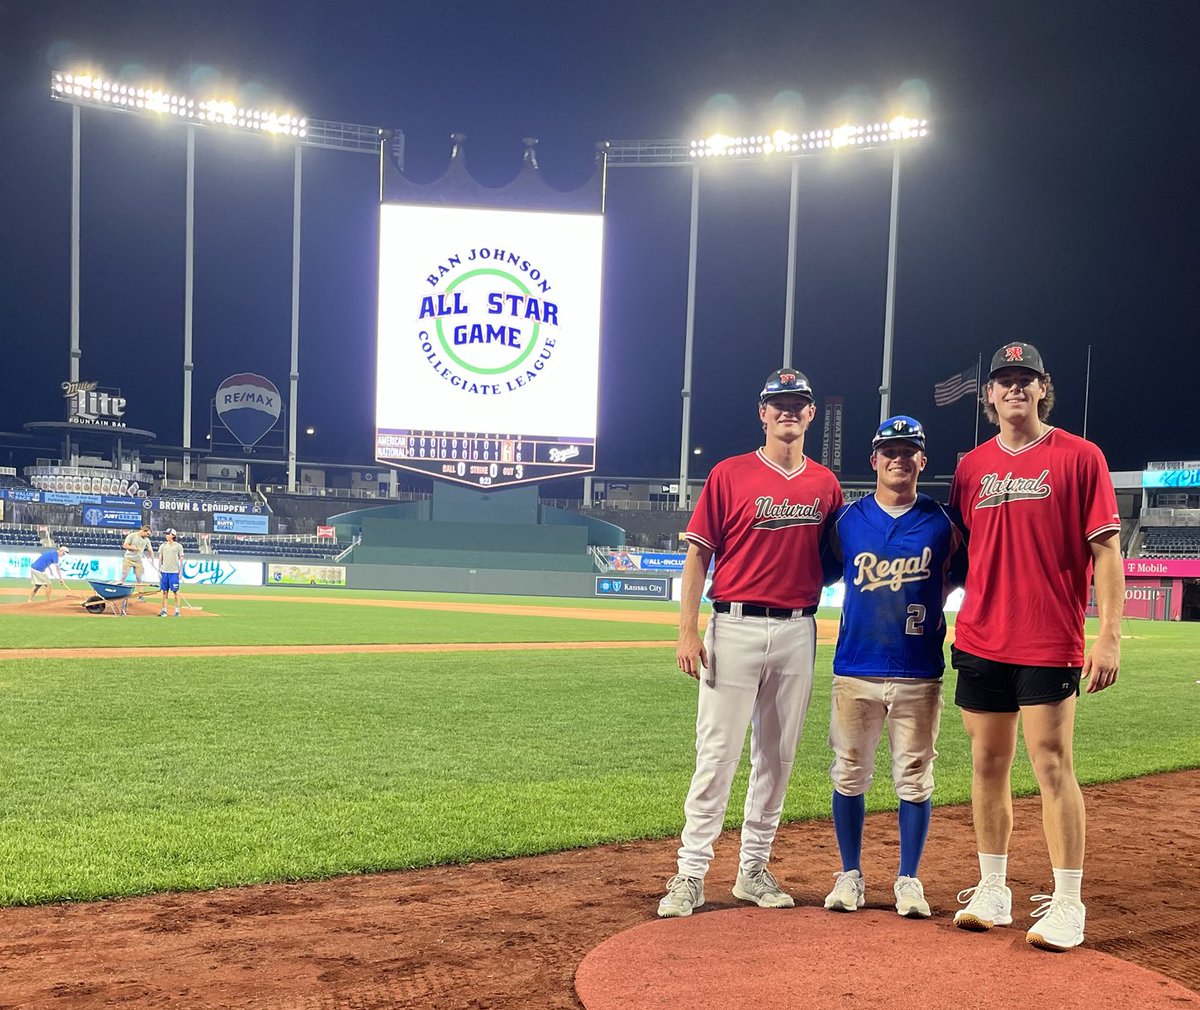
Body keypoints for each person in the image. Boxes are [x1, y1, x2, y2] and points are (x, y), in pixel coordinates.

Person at [949, 341, 1123, 952]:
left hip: (1048, 637)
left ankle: (1068, 902)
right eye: (1005, 381)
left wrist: (1108, 635)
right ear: (989, 395)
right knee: (987, 764)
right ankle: (993, 887)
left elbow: (1105, 551)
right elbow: (961, 552)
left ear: (1043, 388)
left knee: (1051, 762)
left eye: (1026, 380)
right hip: (980, 636)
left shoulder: (1080, 457)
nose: (1015, 389)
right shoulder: (971, 467)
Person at [657, 367, 843, 918]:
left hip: (797, 629)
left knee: (778, 757)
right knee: (717, 754)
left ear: (810, 413)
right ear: (762, 413)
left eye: (798, 403)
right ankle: (691, 872)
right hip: (732, 626)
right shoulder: (729, 474)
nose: (788, 411)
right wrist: (688, 628)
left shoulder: (825, 485)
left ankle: (752, 869)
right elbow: (698, 554)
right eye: (778, 403)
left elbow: (832, 561)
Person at [821, 416, 967, 918]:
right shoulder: (848, 520)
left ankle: (908, 879)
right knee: (849, 774)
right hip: (855, 667)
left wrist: (933, 601)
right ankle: (850, 874)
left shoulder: (942, 521)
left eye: (909, 451)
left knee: (914, 778)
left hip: (918, 670)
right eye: (890, 451)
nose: (899, 459)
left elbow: (962, 574)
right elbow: (823, 569)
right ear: (874, 460)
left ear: (923, 461)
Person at [157, 528, 184, 617]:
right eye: (166, 534)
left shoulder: (178, 546)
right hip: (165, 572)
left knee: (176, 592)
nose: (166, 535)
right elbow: (160, 558)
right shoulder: (163, 546)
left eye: (168, 534)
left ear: (173, 535)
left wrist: (180, 571)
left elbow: (181, 558)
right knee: (164, 592)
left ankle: (177, 611)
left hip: (174, 572)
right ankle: (164, 610)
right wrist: (159, 570)